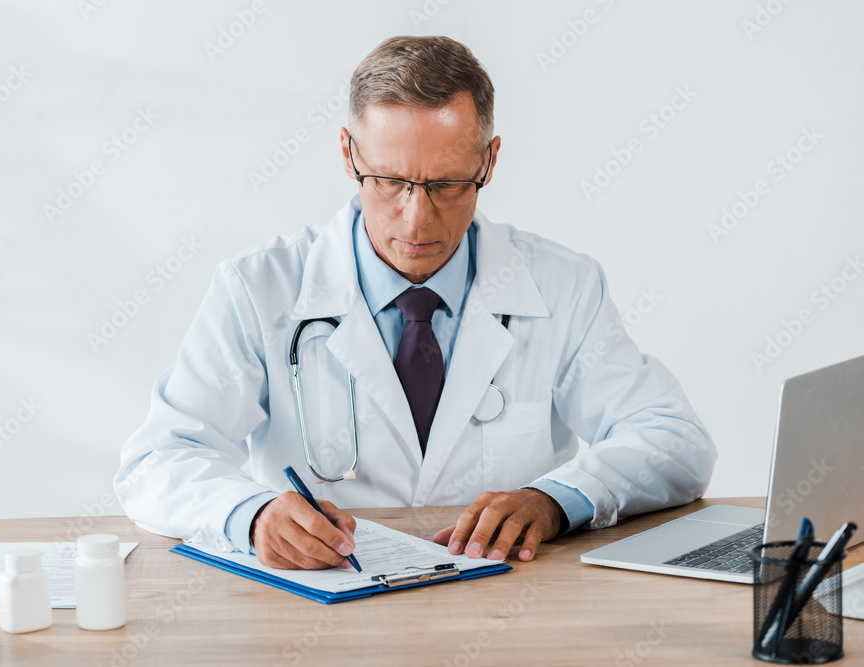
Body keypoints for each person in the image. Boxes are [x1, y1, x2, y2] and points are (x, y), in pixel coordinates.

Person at [115, 35, 716, 571]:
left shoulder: (563, 285)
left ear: (489, 160)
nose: (417, 217)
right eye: (390, 181)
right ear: (349, 154)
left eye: (448, 185)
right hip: (320, 607)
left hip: (511, 606)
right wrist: (250, 515)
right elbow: (158, 458)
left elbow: (673, 440)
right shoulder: (258, 287)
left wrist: (556, 500)